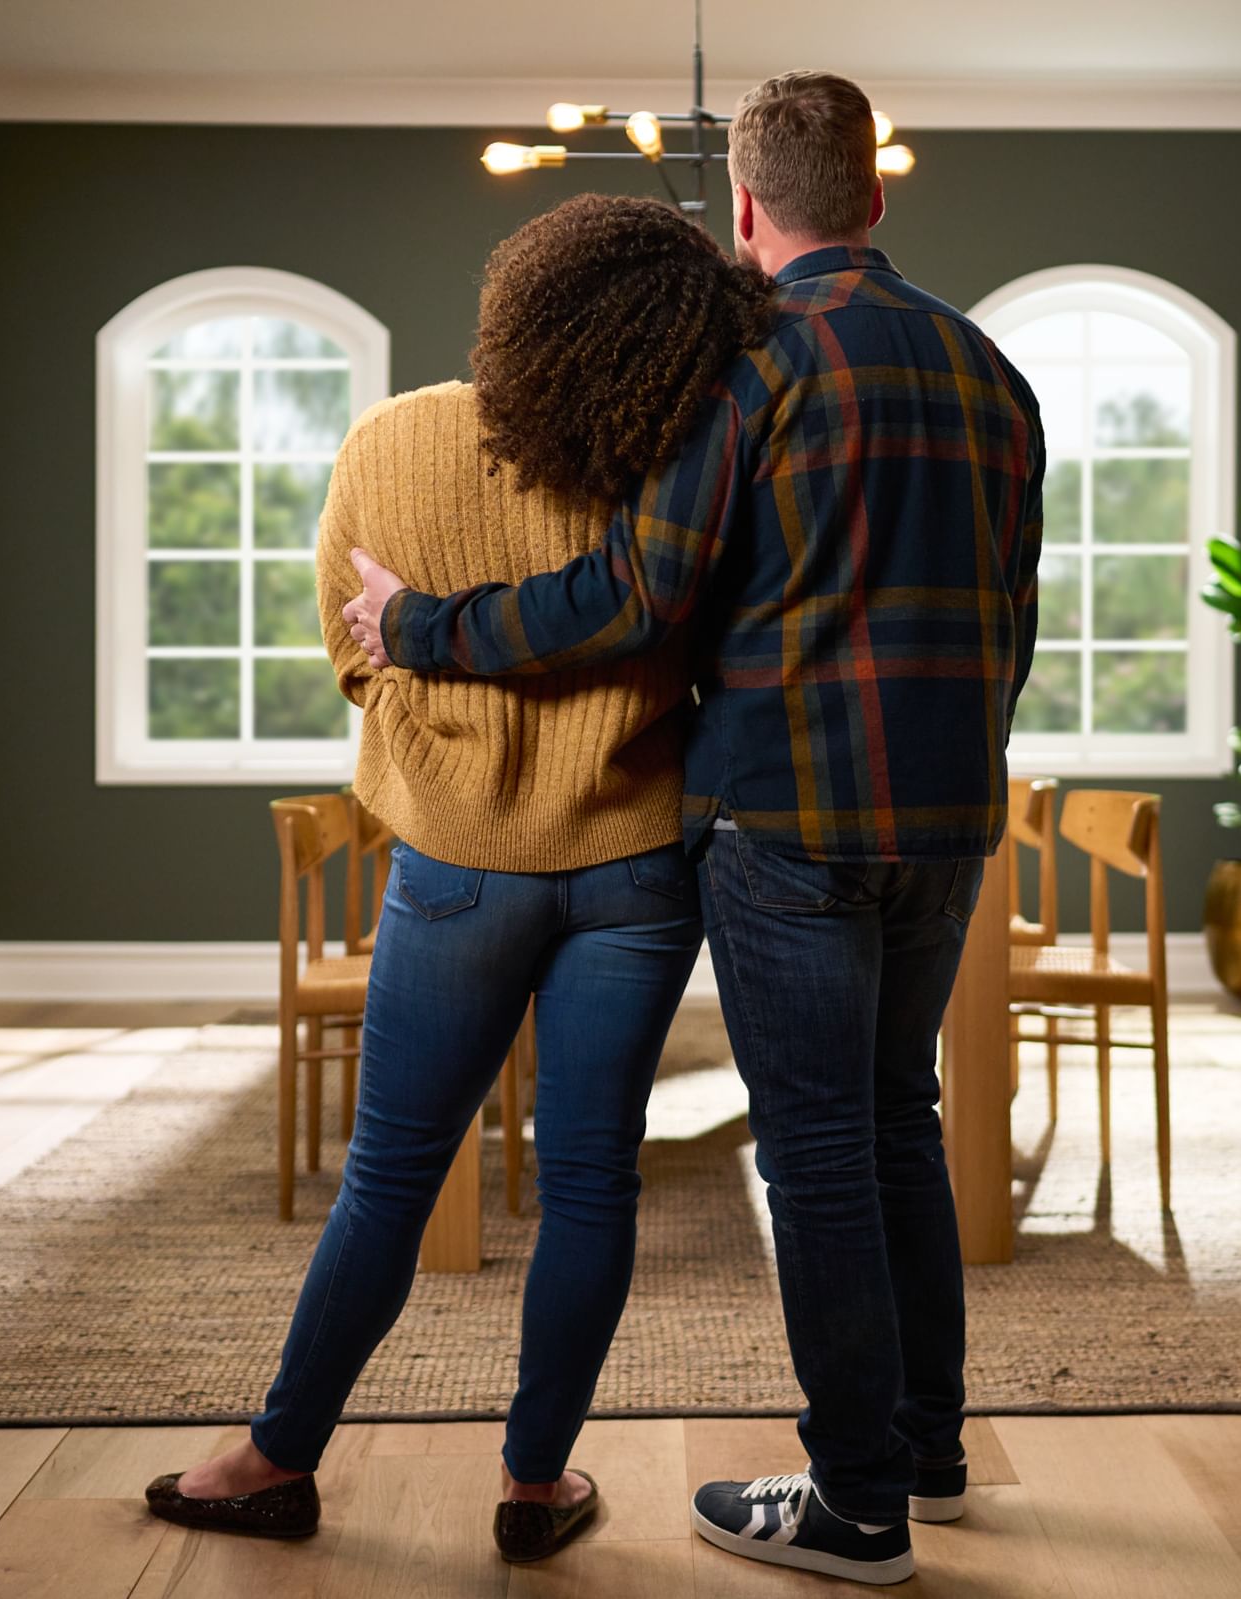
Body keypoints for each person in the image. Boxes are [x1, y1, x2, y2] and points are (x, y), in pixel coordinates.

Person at [345, 70, 1045, 1588]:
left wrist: (422, 627)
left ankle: (857, 1504)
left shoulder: (753, 368)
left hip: (787, 818)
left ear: (745, 208)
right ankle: (928, 1445)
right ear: (875, 194)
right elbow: (1012, 620)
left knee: (819, 1157)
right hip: (945, 820)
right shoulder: (995, 371)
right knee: (898, 1124)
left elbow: (635, 597)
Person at [144, 194, 775, 1566]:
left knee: (389, 1175)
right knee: (593, 1181)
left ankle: (275, 1456)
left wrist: (440, 734)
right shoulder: (675, 467)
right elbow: (703, 648)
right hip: (634, 864)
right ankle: (535, 1485)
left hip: (453, 864)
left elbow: (353, 646)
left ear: (526, 307)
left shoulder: (391, 439)